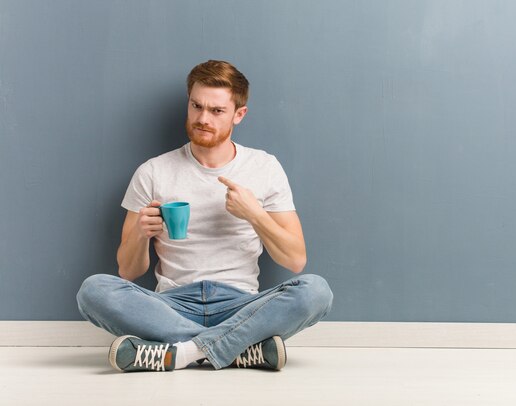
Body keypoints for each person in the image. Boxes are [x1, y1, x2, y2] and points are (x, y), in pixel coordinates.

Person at [76, 60, 333, 372]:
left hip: (241, 305)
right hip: (171, 305)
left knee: (316, 291)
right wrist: (141, 234)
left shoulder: (265, 167)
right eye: (196, 106)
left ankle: (182, 353)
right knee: (93, 290)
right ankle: (238, 351)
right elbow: (127, 271)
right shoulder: (153, 171)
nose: (202, 118)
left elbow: (295, 260)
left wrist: (255, 215)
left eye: (216, 111)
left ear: (239, 114)